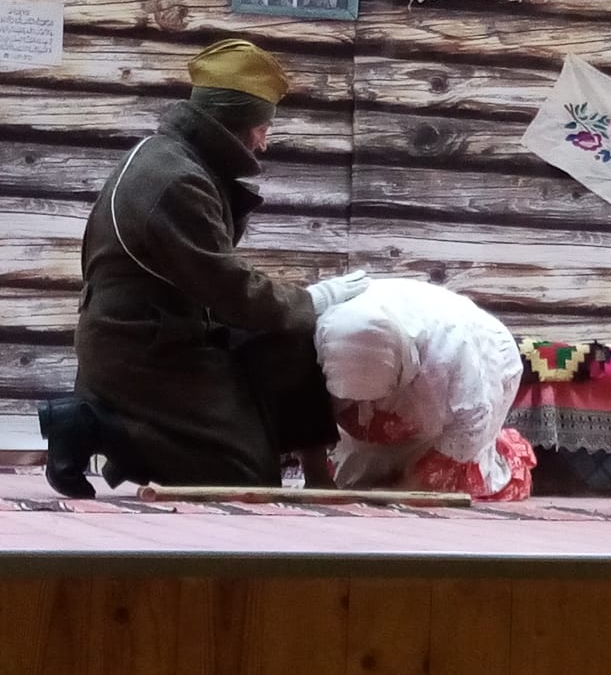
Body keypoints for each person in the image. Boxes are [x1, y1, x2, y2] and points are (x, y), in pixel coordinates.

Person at [38, 39, 371, 499]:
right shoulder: (176, 181)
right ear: (231, 124)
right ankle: (95, 424)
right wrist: (317, 298)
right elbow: (230, 290)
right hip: (141, 355)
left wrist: (300, 310)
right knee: (244, 481)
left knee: (289, 335)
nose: (264, 143)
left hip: (163, 332)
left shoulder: (171, 158)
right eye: (261, 128)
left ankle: (316, 474)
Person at [315, 278, 537, 501]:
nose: (365, 408)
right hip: (404, 365)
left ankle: (500, 459)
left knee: (438, 485)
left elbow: (473, 422)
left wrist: (410, 488)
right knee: (358, 477)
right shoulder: (324, 338)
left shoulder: (453, 356)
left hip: (483, 359)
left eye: (372, 400)